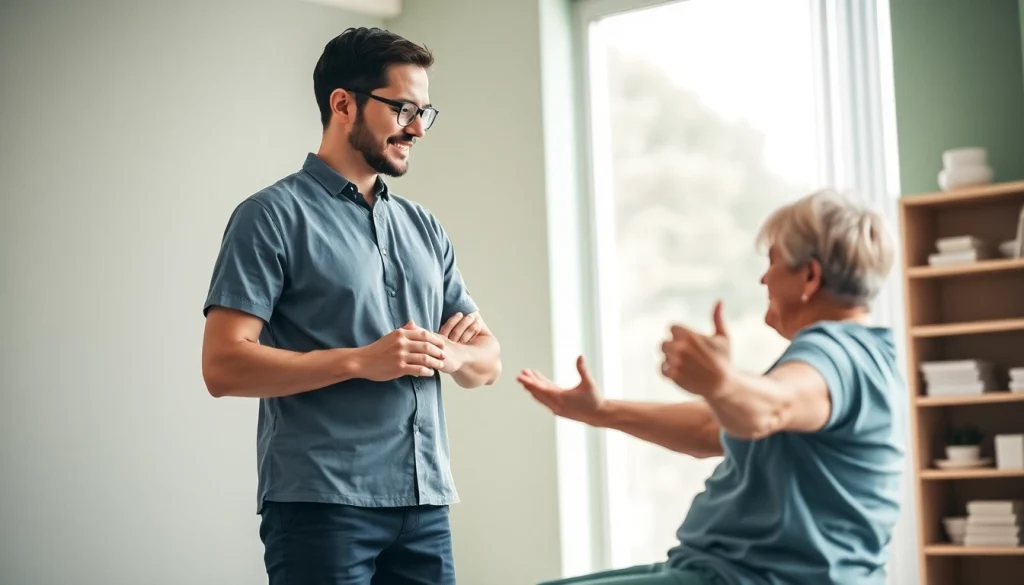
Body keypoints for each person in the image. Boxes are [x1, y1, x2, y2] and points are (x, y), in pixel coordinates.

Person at [201, 27, 501, 585]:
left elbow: (487, 362)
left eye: (424, 113)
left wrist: (451, 355)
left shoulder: (423, 227)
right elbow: (222, 366)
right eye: (403, 109)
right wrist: (362, 360)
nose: (417, 128)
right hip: (322, 508)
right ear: (343, 104)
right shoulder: (269, 217)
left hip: (426, 506)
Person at [518, 189, 905, 585]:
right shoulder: (864, 358)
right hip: (718, 569)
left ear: (809, 276)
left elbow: (771, 408)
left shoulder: (835, 356)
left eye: (772, 261)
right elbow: (714, 427)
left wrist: (721, 382)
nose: (764, 278)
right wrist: (602, 411)